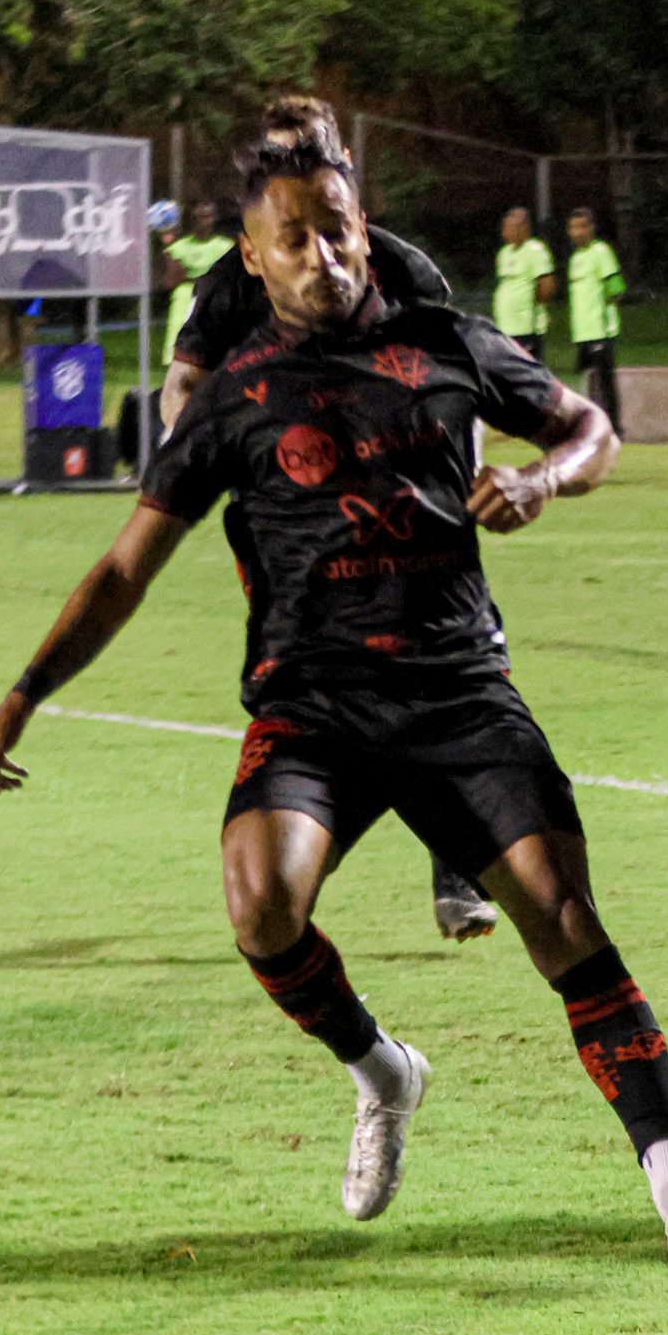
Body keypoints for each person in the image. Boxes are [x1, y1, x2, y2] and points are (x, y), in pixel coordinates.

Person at [0, 96, 668, 1251]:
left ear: (360, 222)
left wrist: (545, 483)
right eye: (294, 236)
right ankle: (383, 1070)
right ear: (253, 254)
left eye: (336, 227)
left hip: (457, 689)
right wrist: (25, 692)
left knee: (564, 919)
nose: (323, 253)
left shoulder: (440, 337)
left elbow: (589, 424)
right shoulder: (233, 395)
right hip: (313, 707)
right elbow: (126, 568)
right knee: (261, 903)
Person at [158, 102, 503, 949]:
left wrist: (458, 473)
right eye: (275, 156)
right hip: (292, 511)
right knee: (315, 661)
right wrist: (201, 459)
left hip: (402, 501)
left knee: (445, 651)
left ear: (343, 163)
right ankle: (304, 834)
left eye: (307, 152)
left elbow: (453, 376)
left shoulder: (404, 269)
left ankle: (455, 859)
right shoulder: (233, 281)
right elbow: (183, 387)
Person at [565, 207, 626, 424]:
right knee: (584, 383)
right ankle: (588, 428)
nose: (578, 232)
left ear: (591, 228)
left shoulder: (601, 251)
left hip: (601, 330)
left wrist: (603, 312)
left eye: (582, 226)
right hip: (582, 331)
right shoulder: (575, 259)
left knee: (605, 383)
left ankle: (614, 428)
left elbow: (617, 287)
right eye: (573, 227)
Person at [159, 201, 236, 361]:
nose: (204, 222)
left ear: (215, 219)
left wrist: (191, 273)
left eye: (208, 217)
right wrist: (209, 275)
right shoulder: (179, 247)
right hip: (184, 305)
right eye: (199, 217)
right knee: (180, 355)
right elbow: (170, 280)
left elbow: (232, 276)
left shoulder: (226, 246)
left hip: (215, 306)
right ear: (192, 220)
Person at [492, 207, 557, 362]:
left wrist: (533, 305)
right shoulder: (504, 253)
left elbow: (547, 285)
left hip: (527, 327)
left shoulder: (535, 250)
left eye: (510, 228)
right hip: (505, 326)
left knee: (529, 372)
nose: (505, 233)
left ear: (524, 228)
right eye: (504, 228)